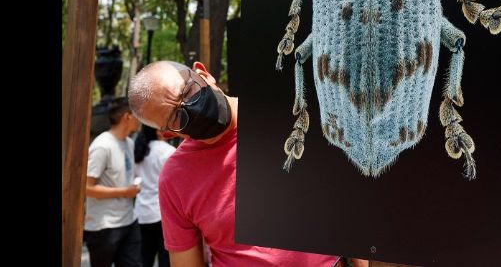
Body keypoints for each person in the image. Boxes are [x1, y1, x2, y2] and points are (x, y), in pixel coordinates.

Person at [127, 60, 342, 266]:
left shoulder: (288, 115)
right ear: (166, 133)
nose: (190, 107)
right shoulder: (175, 178)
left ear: (204, 74)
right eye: (176, 116)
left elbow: (351, 207)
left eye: (187, 91)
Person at [83, 98, 143, 267]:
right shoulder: (102, 146)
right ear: (127, 117)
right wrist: (125, 192)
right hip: (104, 226)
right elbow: (87, 188)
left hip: (129, 220)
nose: (140, 119)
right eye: (137, 115)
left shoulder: (129, 143)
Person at [134, 123, 176, 267]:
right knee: (165, 258)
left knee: (145, 258)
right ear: (158, 131)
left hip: (142, 213)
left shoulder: (139, 150)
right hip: (162, 213)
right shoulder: (169, 151)